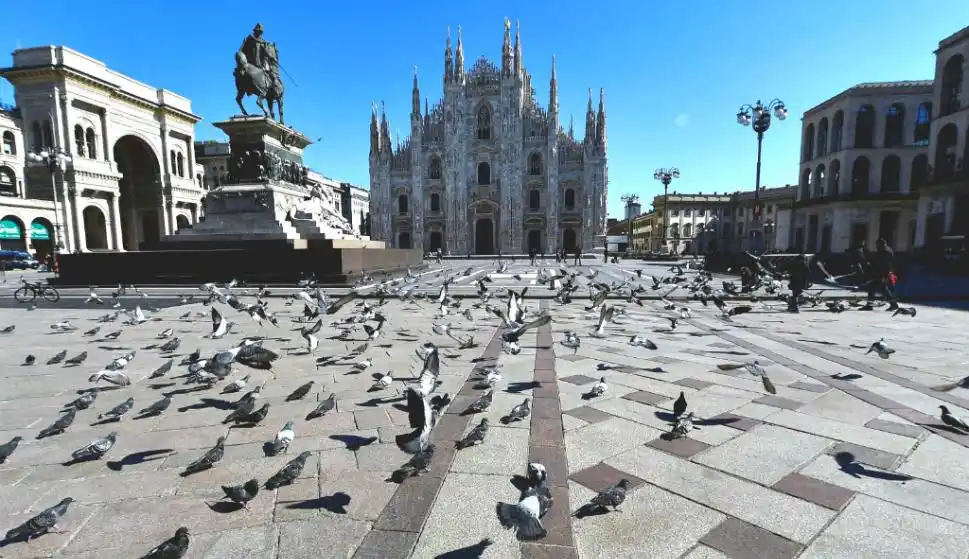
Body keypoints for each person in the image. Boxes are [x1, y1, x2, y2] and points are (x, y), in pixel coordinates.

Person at [864, 238, 899, 310]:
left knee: (876, 289)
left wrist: (885, 276)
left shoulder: (886, 253)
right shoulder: (881, 252)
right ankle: (893, 304)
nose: (876, 246)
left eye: (877, 245)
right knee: (879, 289)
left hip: (882, 275)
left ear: (882, 245)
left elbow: (887, 265)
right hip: (878, 274)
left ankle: (870, 305)